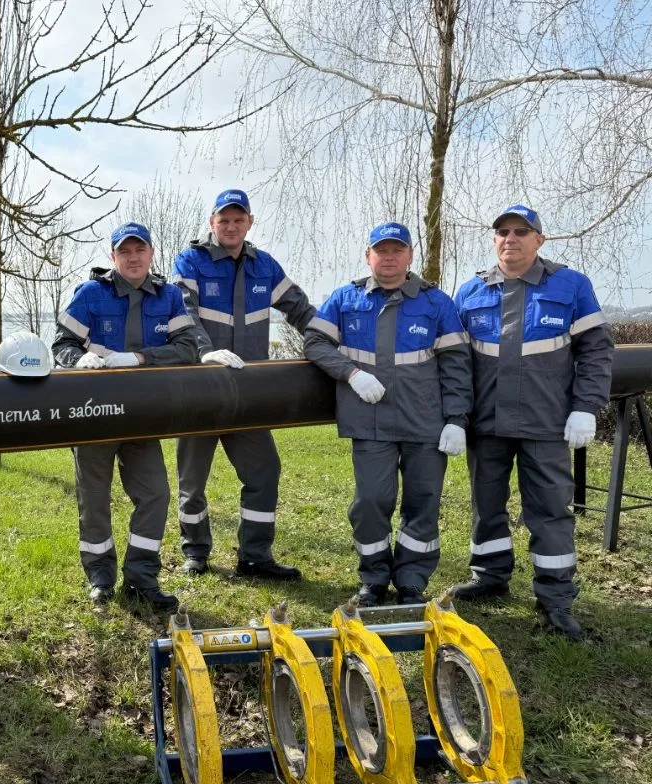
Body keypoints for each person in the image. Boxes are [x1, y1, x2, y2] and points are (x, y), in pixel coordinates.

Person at [449, 205, 613, 640]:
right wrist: (455, 416)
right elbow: (454, 361)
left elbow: (597, 351)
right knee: (486, 504)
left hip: (546, 423)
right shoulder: (470, 292)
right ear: (494, 240)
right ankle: (490, 576)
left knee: (549, 510)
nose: (511, 238)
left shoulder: (571, 285)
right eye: (502, 231)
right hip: (486, 424)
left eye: (521, 231)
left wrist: (586, 406)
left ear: (539, 240)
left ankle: (556, 599)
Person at [304, 222, 473, 605]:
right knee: (370, 502)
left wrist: (456, 419)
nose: (389, 257)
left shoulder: (436, 303)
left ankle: (412, 581)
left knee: (423, 502)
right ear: (369, 256)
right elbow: (314, 342)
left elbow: (457, 365)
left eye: (397, 250)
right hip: (371, 423)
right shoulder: (345, 299)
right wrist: (352, 374)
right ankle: (374, 578)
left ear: (410, 255)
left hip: (425, 424)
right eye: (381, 250)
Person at [52, 222, 197, 612]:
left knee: (155, 494)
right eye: (125, 251)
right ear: (113, 256)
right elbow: (62, 343)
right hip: (94, 415)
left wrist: (141, 357)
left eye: (140, 250)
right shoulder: (90, 293)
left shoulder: (169, 296)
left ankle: (141, 579)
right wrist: (78, 360)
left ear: (151, 253)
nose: (133, 258)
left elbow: (188, 348)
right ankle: (100, 578)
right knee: (94, 499)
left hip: (143, 416)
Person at [172, 189, 316, 580]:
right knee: (191, 481)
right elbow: (183, 312)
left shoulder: (264, 266)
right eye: (224, 220)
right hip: (201, 391)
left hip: (249, 396)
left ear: (250, 222)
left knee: (264, 471)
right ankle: (195, 551)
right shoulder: (191, 261)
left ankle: (255, 556)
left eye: (239, 219)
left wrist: (334, 342)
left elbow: (301, 310)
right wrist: (205, 352)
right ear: (212, 223)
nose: (231, 226)